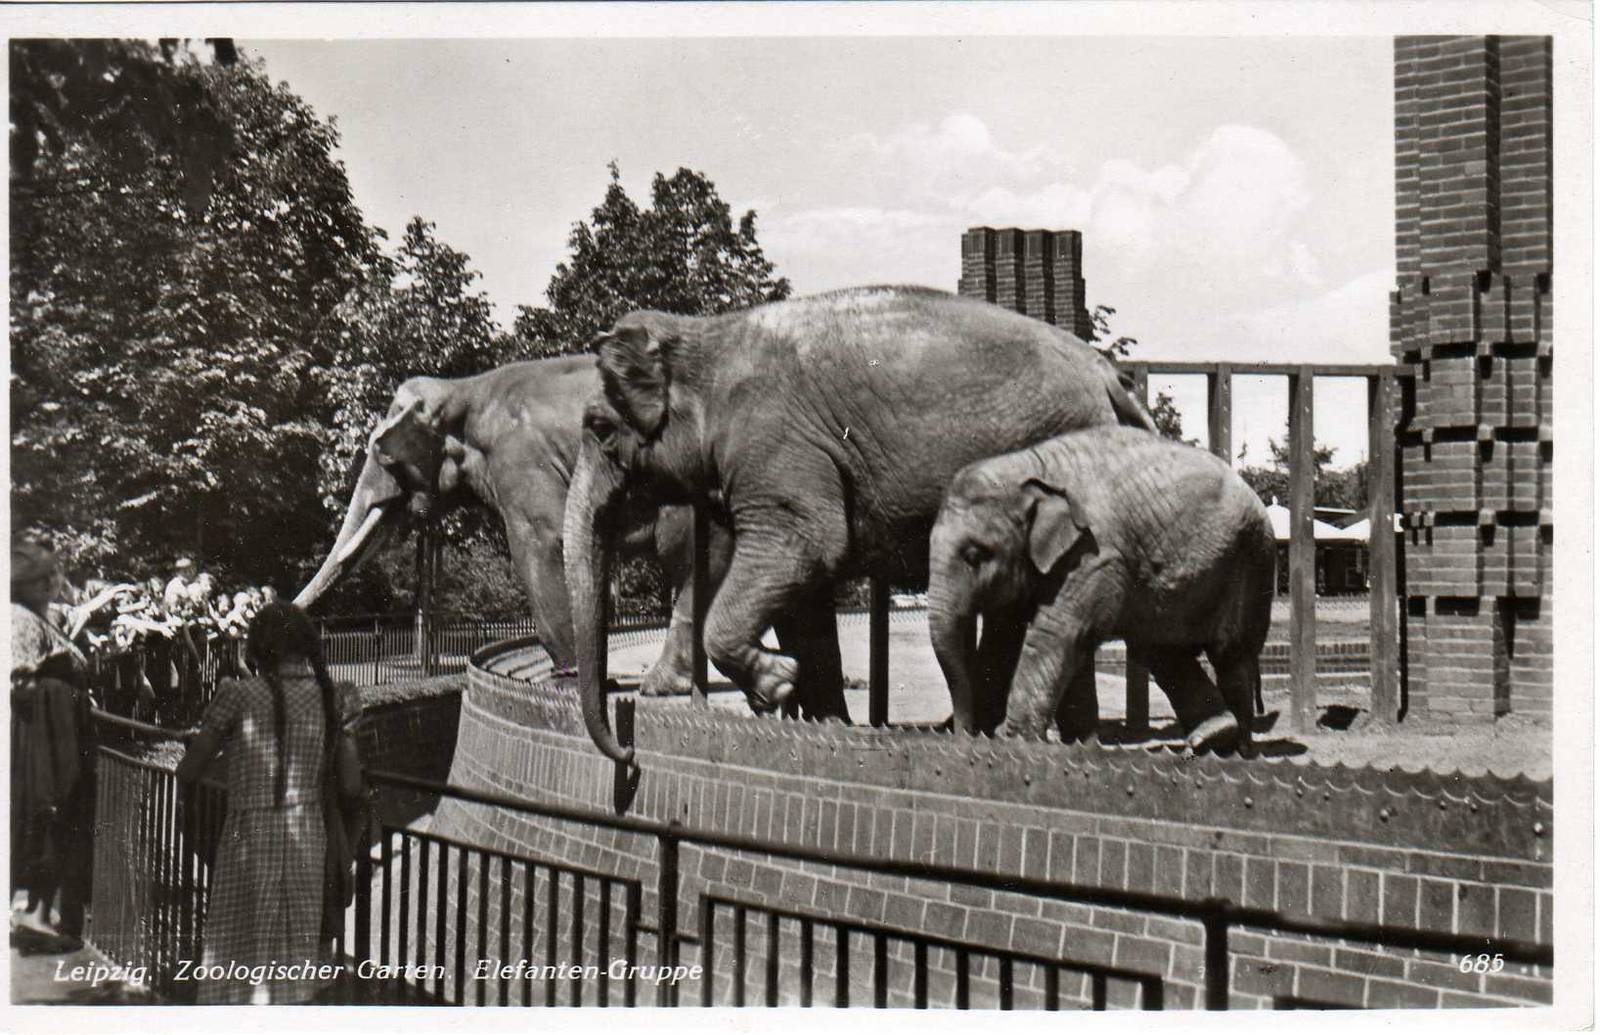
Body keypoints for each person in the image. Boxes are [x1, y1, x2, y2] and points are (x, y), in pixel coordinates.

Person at [177, 602, 362, 1005]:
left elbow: (190, 770)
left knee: (238, 936)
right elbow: (351, 784)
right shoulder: (332, 699)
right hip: (306, 834)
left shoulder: (238, 695)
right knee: (294, 943)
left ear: (259, 647)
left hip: (249, 833)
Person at [10, 542, 95, 947]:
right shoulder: (19, 620)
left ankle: (40, 916)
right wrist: (58, 679)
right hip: (36, 747)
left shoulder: (40, 618)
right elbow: (19, 684)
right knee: (41, 825)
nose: (55, 581)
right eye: (48, 575)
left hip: (52, 741)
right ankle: (34, 918)